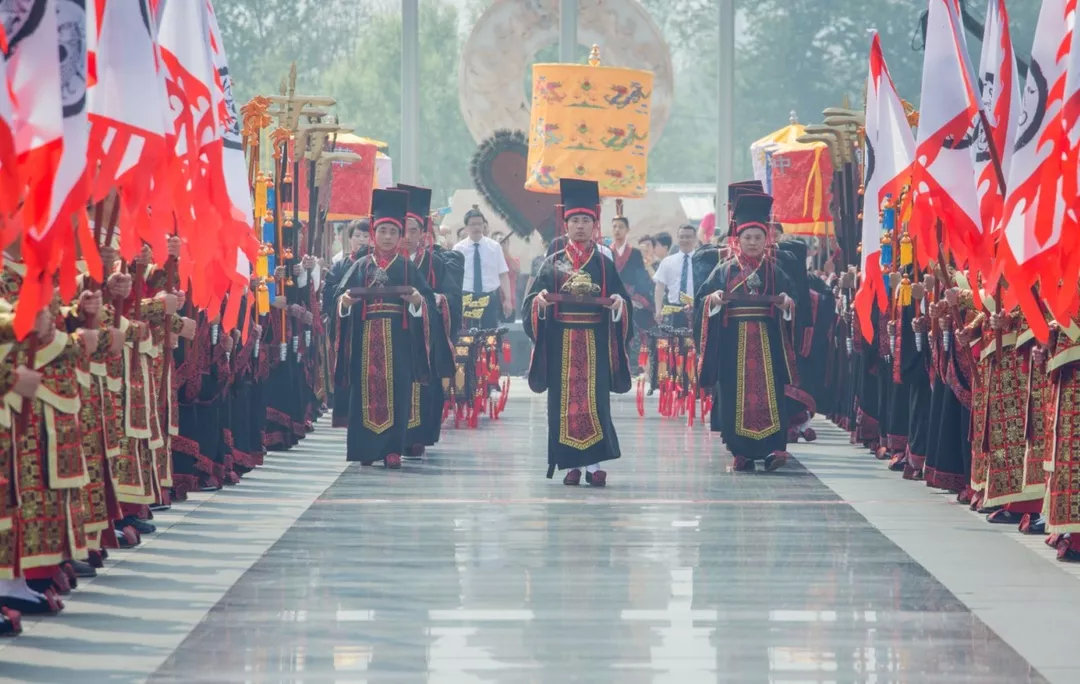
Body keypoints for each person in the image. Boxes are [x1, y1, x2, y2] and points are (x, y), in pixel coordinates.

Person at [522, 178, 634, 487]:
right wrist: (540, 305)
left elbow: (622, 300)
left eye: (586, 220)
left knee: (594, 403)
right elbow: (531, 302)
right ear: (566, 224)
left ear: (595, 224)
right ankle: (570, 465)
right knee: (564, 405)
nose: (581, 226)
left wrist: (617, 306)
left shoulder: (603, 263)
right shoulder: (552, 263)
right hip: (561, 344)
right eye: (575, 221)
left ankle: (593, 465)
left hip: (595, 342)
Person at [695, 190, 797, 472]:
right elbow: (702, 302)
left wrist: (789, 306)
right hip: (733, 342)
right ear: (737, 240)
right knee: (733, 394)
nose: (753, 243)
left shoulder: (776, 272)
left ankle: (773, 449)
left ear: (767, 240)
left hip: (768, 342)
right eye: (747, 237)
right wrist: (712, 302)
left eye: (758, 237)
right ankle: (742, 452)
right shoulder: (724, 271)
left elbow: (793, 302)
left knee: (771, 394)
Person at [334, 189, 434, 469]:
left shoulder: (406, 267)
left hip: (398, 340)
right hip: (365, 337)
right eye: (383, 231)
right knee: (364, 391)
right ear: (374, 233)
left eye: (392, 231)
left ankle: (392, 449)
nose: (387, 236)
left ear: (400, 235)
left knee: (398, 390)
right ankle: (365, 448)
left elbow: (426, 301)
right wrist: (344, 304)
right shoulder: (360, 266)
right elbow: (340, 299)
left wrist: (417, 303)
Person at [398, 184, 463, 458]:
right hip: (394, 334)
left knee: (423, 385)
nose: (408, 236)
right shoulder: (381, 262)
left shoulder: (435, 262)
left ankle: (418, 435)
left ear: (423, 233)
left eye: (414, 230)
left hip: (425, 334)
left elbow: (451, 296)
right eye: (403, 229)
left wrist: (438, 301)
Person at [453, 206, 513, 329]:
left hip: (489, 297)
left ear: (484, 225)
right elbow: (454, 277)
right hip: (467, 298)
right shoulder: (458, 249)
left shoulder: (494, 247)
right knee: (467, 336)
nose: (476, 227)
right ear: (466, 227)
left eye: (479, 224)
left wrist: (507, 299)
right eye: (473, 224)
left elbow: (503, 274)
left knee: (490, 336)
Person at [609, 210, 656, 345]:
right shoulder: (606, 251)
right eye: (614, 226)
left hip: (631, 300)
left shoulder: (634, 253)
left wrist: (639, 297)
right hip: (611, 299)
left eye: (621, 227)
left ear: (627, 230)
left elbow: (641, 278)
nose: (617, 230)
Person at [652, 224, 698, 329]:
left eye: (688, 237)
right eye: (681, 237)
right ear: (678, 239)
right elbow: (659, 288)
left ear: (695, 239)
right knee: (674, 344)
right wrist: (658, 310)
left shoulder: (701, 260)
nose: (685, 240)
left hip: (695, 311)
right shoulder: (668, 261)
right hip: (673, 312)